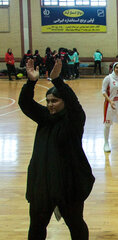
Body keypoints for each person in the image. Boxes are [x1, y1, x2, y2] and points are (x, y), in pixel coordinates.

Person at [19, 59, 95, 239]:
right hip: (42, 184)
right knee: (36, 227)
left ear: (64, 102)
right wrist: (31, 82)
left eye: (55, 101)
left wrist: (57, 80)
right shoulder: (45, 118)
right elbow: (25, 104)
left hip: (67, 185)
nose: (50, 104)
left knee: (76, 224)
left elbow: (74, 103)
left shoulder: (74, 121)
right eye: (48, 101)